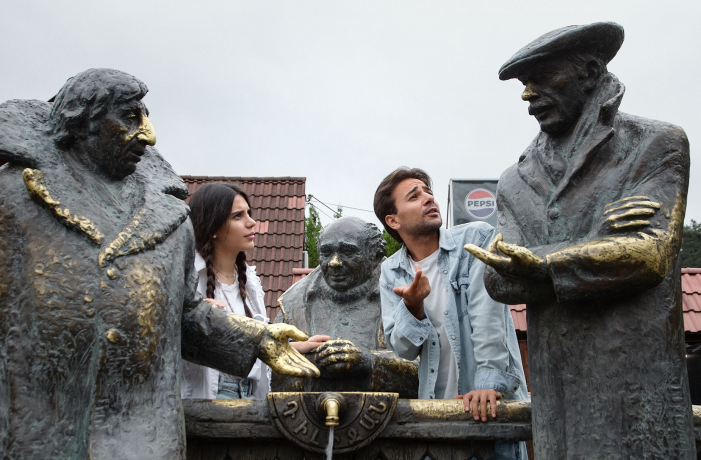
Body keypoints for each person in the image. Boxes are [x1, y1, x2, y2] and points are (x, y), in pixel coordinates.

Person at [0, 68, 318, 459]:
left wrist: (257, 338)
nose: (148, 134)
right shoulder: (0, 200)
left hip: (142, 439)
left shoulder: (170, 220)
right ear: (82, 121)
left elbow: (183, 315)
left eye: (145, 116)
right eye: (129, 117)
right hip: (27, 436)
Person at [464, 22, 695, 458]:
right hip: (558, 399)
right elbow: (498, 276)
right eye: (524, 83)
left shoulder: (654, 143)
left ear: (588, 72)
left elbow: (649, 255)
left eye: (541, 77)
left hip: (638, 395)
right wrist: (597, 246)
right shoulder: (515, 179)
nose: (527, 94)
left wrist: (543, 265)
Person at [374, 167, 528, 460]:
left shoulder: (475, 239)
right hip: (436, 418)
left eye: (428, 192)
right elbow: (403, 349)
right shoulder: (391, 271)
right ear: (393, 220)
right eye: (414, 196)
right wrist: (413, 307)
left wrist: (488, 384)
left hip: (488, 410)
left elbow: (487, 314)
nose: (428, 198)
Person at [181, 183, 328, 399]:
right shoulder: (187, 278)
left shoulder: (250, 279)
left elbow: (255, 346)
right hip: (208, 396)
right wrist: (192, 314)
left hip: (251, 394)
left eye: (248, 213)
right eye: (238, 216)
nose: (251, 222)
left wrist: (299, 346)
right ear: (213, 226)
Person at [273, 216, 418, 397]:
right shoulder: (293, 302)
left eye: (348, 252)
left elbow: (427, 370)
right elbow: (273, 374)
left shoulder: (406, 295)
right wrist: (311, 363)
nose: (334, 262)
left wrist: (368, 363)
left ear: (374, 256)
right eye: (326, 253)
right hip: (310, 412)